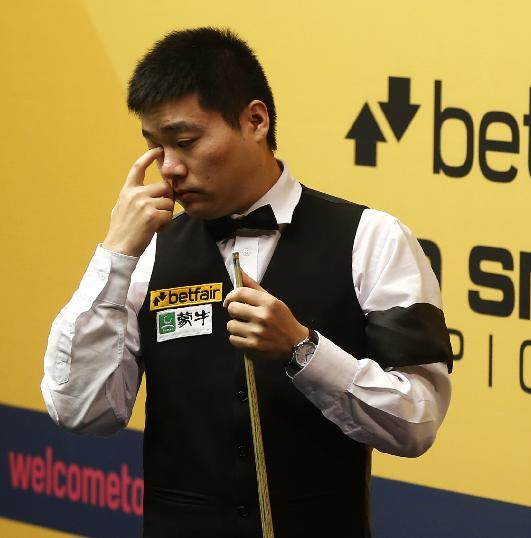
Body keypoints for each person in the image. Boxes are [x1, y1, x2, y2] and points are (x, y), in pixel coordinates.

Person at [41, 27, 452, 537]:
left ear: (256, 120)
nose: (168, 169)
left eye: (186, 142)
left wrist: (304, 351)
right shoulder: (142, 251)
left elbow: (417, 420)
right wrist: (114, 253)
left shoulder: (373, 239)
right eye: (154, 147)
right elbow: (80, 410)